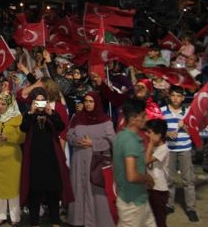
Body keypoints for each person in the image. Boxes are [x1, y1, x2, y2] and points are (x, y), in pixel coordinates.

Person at [20, 87, 73, 227]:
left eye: (42, 101)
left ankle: (55, 220)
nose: (40, 104)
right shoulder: (28, 115)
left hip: (51, 159)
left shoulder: (52, 114)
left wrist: (50, 113)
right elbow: (23, 128)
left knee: (53, 190)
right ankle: (34, 222)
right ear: (32, 102)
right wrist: (31, 112)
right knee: (34, 191)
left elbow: (61, 127)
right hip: (34, 160)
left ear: (47, 102)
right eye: (37, 101)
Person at [66, 91, 116, 227]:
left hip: (96, 162)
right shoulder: (76, 118)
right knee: (79, 188)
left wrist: (93, 143)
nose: (88, 104)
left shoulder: (106, 120)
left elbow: (112, 141)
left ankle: (98, 221)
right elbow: (69, 136)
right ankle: (79, 220)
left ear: (97, 102)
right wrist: (77, 141)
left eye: (91, 101)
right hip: (79, 160)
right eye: (86, 101)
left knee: (96, 191)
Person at [112, 99, 155, 227]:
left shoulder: (120, 136)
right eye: (143, 116)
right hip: (132, 203)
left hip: (135, 198)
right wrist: (148, 178)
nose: (146, 118)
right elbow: (132, 176)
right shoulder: (131, 141)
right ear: (133, 119)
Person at [160, 85, 199, 222]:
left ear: (183, 98)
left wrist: (185, 127)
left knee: (188, 180)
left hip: (185, 149)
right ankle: (169, 205)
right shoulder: (162, 111)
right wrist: (166, 133)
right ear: (169, 96)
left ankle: (191, 209)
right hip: (169, 150)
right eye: (173, 95)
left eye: (178, 95)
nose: (175, 98)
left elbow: (194, 132)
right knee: (169, 179)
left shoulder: (188, 112)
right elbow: (158, 131)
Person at [0, 91, 25, 227]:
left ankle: (15, 218)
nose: (0, 106)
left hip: (12, 158)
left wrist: (8, 138)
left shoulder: (18, 118)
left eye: (3, 104)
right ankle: (0, 216)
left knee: (13, 188)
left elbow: (22, 138)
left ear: (10, 104)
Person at [145, 119, 170, 227]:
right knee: (151, 218)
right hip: (151, 187)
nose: (147, 134)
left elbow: (147, 160)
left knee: (159, 218)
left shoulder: (164, 149)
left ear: (159, 135)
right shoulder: (153, 147)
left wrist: (150, 143)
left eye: (149, 132)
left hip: (160, 189)